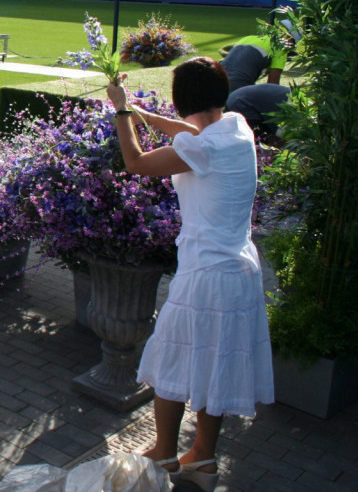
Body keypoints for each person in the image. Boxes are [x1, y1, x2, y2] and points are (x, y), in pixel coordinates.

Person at [107, 58, 273, 491]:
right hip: (240, 270)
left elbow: (137, 162)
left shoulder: (204, 148)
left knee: (174, 360)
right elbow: (193, 132)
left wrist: (122, 111)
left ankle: (164, 450)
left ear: (183, 99)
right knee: (213, 363)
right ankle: (202, 456)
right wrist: (144, 114)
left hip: (205, 274)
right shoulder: (237, 128)